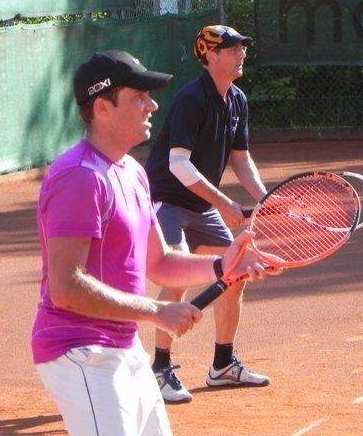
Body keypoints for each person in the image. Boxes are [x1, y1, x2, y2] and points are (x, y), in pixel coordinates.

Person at [31, 49, 278, 436]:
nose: (152, 105)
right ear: (102, 108)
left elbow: (160, 262)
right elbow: (66, 287)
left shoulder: (132, 172)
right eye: (139, 97)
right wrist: (157, 310)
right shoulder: (79, 177)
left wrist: (225, 263)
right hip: (80, 350)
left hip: (123, 346)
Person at [145, 25, 270, 404]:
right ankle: (160, 369)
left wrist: (266, 199)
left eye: (242, 48)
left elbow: (241, 160)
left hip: (200, 207)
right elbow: (178, 164)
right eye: (232, 49)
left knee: (234, 274)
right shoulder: (191, 99)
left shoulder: (237, 100)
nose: (241, 54)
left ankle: (222, 365)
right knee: (176, 273)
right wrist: (223, 203)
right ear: (211, 56)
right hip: (167, 200)